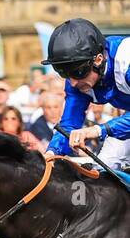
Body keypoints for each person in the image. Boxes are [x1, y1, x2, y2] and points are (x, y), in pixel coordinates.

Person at [42, 19, 130, 156]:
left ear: (98, 60)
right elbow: (69, 125)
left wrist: (97, 130)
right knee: (105, 167)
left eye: (78, 72)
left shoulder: (126, 59)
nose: (73, 83)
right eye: (64, 73)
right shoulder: (77, 81)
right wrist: (52, 153)